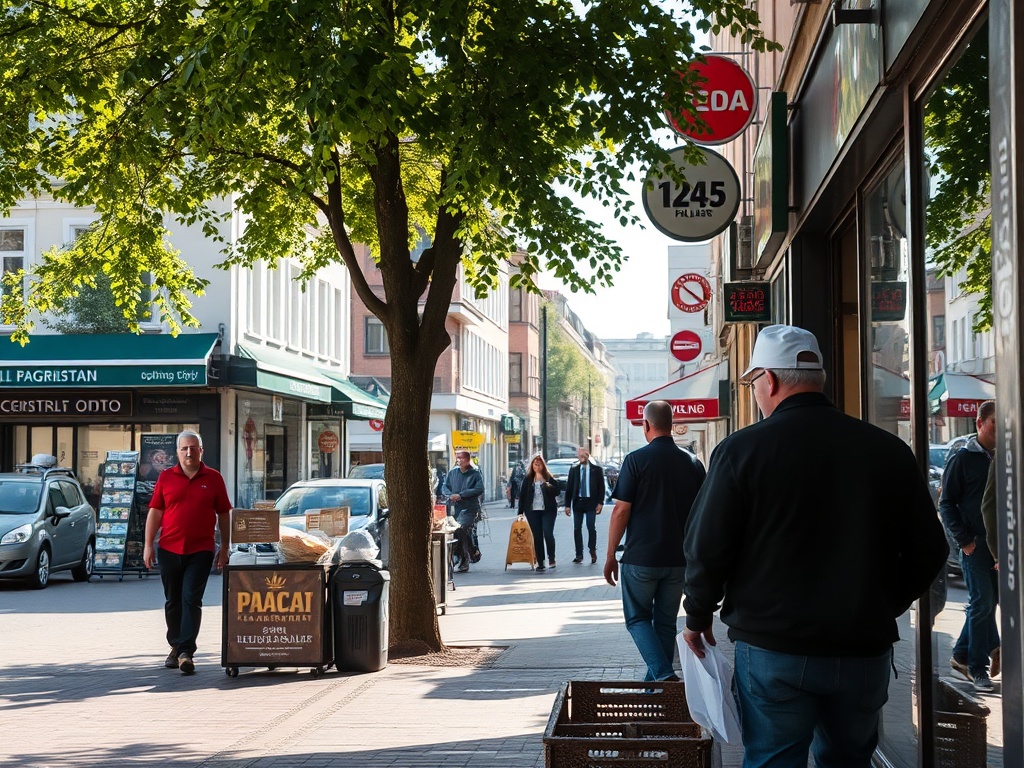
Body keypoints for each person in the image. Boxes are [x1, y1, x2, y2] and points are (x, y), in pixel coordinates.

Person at [681, 324, 949, 767]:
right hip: (862, 646)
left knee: (773, 760)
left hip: (773, 648)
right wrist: (881, 604)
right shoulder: (887, 451)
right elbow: (930, 550)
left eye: (753, 384)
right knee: (848, 760)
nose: (755, 393)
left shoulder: (741, 451)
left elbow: (707, 546)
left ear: (768, 380)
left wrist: (697, 615)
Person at [604, 400, 706, 682]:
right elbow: (703, 513)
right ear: (671, 425)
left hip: (641, 559)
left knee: (637, 619)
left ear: (645, 425)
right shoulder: (693, 462)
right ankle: (657, 692)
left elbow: (621, 510)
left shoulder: (636, 460)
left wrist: (611, 554)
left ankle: (662, 675)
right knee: (664, 623)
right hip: (679, 560)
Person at [143, 430, 233, 675]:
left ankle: (186, 652)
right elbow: (155, 512)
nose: (189, 452)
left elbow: (224, 514)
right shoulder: (166, 478)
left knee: (191, 599)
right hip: (169, 549)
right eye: (184, 448)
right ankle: (175, 646)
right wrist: (148, 544)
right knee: (173, 601)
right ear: (177, 452)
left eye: (193, 448)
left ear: (201, 450)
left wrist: (224, 547)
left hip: (201, 550)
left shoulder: (213, 478)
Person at [940, 399, 999, 690]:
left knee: (988, 603)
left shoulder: (1003, 457)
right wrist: (964, 540)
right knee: (982, 603)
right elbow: (946, 502)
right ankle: (978, 667)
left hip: (999, 545)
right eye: (994, 425)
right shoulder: (962, 458)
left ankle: (961, 654)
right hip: (974, 545)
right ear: (980, 424)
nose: (998, 432)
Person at [442, 449, 484, 573]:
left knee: (462, 528)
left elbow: (479, 488)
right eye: (457, 457)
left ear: (468, 459)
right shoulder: (452, 472)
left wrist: (462, 495)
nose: (459, 460)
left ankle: (465, 558)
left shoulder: (475, 473)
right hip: (455, 508)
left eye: (462, 458)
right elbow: (445, 486)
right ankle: (470, 551)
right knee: (457, 531)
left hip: (470, 507)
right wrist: (450, 495)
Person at [517, 454, 561, 571]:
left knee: (548, 533)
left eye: (539, 463)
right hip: (532, 511)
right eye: (535, 463)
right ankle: (540, 561)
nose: (537, 465)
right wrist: (520, 512)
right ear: (532, 465)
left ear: (543, 465)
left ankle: (551, 557)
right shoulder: (527, 479)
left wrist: (547, 483)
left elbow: (557, 491)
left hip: (548, 510)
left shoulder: (548, 477)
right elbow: (522, 496)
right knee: (537, 536)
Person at [563, 446, 606, 564]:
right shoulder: (574, 469)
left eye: (584, 455)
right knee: (577, 528)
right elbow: (569, 488)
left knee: (591, 527)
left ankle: (592, 549)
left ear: (588, 455)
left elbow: (601, 488)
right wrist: (567, 505)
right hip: (578, 502)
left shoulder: (596, 470)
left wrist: (600, 503)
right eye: (580, 455)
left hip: (591, 503)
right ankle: (579, 554)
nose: (582, 458)